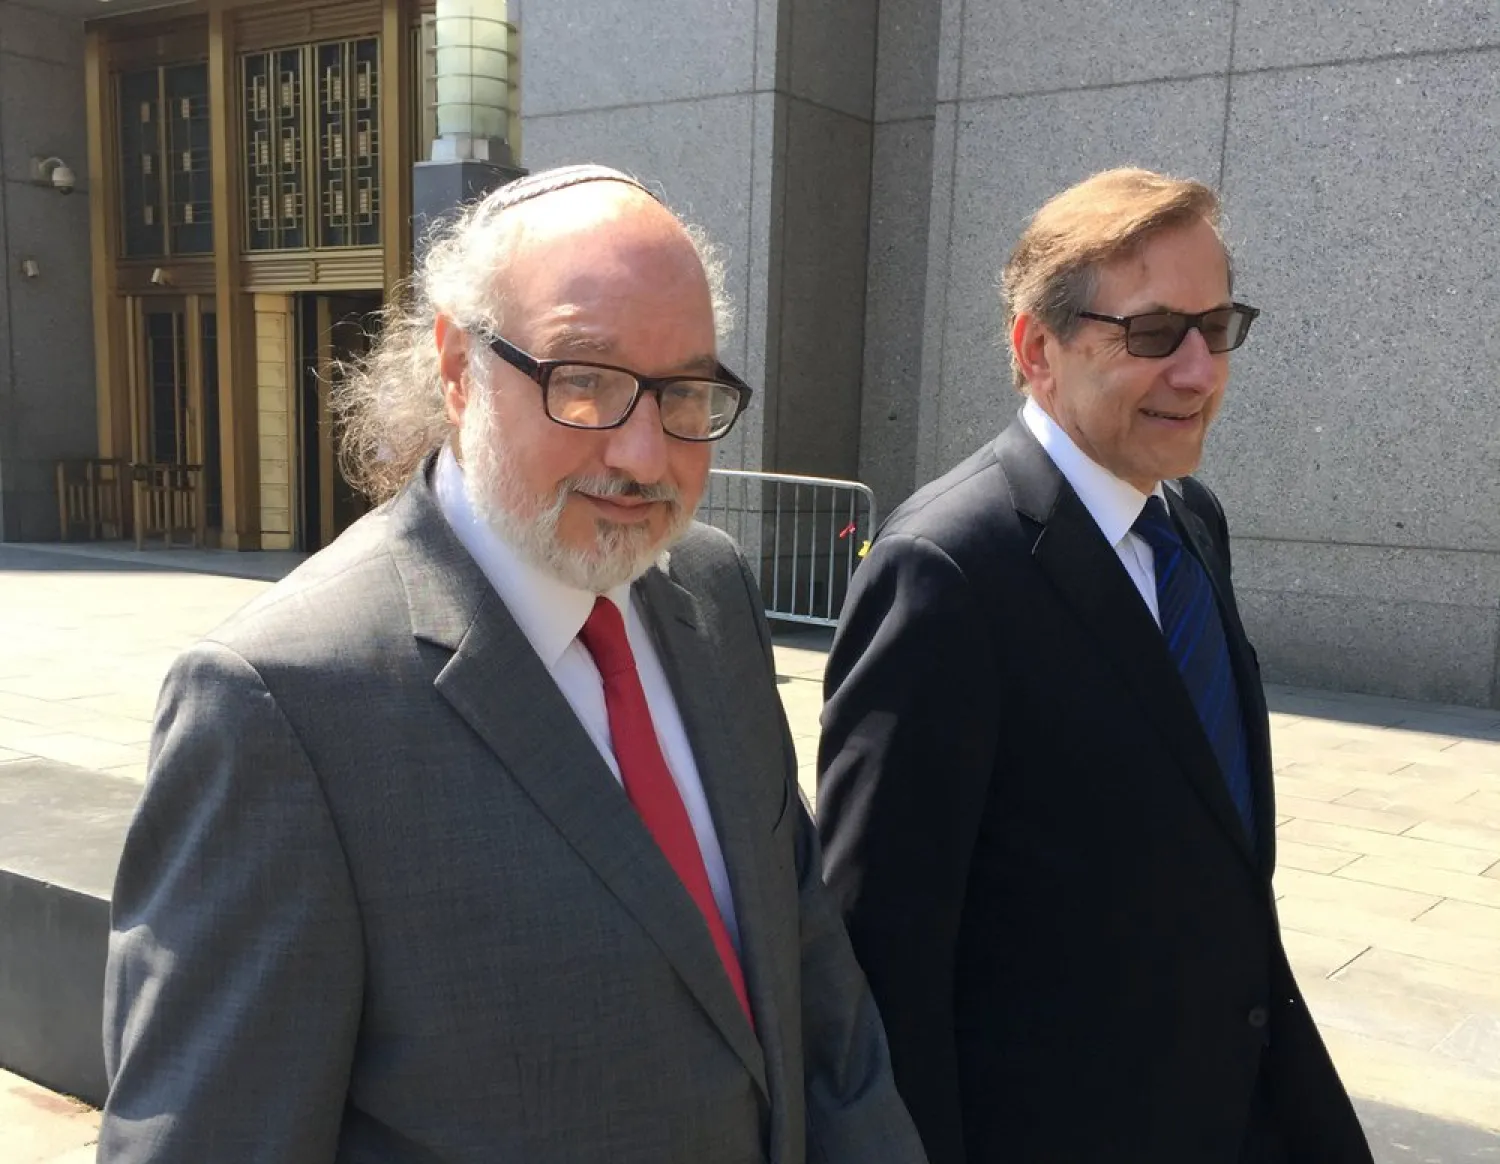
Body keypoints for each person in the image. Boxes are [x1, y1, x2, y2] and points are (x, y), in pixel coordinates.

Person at [99, 165, 927, 1164]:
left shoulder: (710, 591)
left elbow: (814, 991)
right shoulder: (279, 706)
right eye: (584, 380)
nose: (642, 455)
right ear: (456, 367)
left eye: (686, 394)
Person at [816, 168, 1373, 1164]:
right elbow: (883, 953)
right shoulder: (944, 570)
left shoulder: (1190, 520)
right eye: (1154, 334)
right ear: (1038, 350)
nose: (1200, 372)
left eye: (1218, 326)